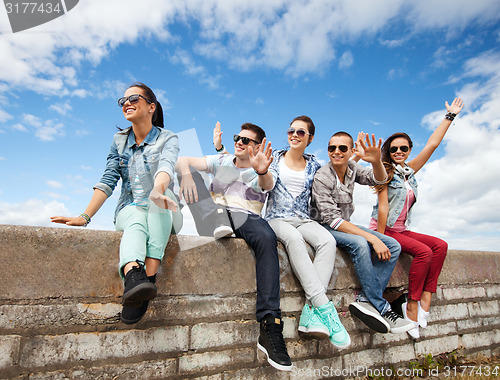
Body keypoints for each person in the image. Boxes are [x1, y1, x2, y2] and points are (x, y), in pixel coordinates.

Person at [51, 82, 182, 325]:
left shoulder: (168, 138)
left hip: (165, 208)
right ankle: (134, 277)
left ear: (151, 106)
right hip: (130, 207)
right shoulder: (119, 141)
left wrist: (157, 190)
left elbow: (166, 166)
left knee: (157, 205)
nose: (126, 103)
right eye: (123, 100)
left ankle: (147, 280)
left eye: (133, 98)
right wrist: (85, 216)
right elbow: (108, 179)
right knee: (135, 217)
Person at [176, 122, 292, 371]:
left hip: (245, 217)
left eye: (246, 140)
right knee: (189, 172)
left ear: (257, 147)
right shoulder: (222, 160)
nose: (239, 141)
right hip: (212, 217)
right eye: (237, 137)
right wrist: (186, 173)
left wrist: (261, 171)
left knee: (266, 237)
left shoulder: (264, 166)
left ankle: (270, 325)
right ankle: (216, 218)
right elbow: (183, 160)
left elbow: (269, 183)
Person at [369, 98, 464, 339]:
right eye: (394, 149)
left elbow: (432, 144)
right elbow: (383, 209)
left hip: (402, 230)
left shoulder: (410, 171)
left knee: (440, 246)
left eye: (404, 148)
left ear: (409, 150)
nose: (399, 152)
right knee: (424, 253)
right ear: (387, 153)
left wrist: (449, 117)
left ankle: (426, 299)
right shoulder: (386, 171)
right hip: (386, 230)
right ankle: (411, 305)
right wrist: (380, 239)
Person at [311, 132, 413, 334]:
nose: (337, 152)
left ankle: (366, 300)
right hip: (323, 226)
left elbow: (377, 180)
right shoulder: (323, 177)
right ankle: (382, 307)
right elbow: (332, 219)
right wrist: (372, 237)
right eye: (332, 148)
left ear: (351, 152)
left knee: (393, 245)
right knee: (360, 243)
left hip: (343, 224)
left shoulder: (351, 168)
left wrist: (376, 161)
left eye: (342, 148)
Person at [264, 116, 350, 349]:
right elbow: (266, 184)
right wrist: (262, 171)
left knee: (327, 241)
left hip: (304, 218)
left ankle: (310, 314)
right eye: (291, 130)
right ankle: (325, 308)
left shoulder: (315, 165)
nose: (294, 134)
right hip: (276, 218)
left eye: (300, 132)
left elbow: (336, 179)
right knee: (294, 240)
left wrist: (354, 160)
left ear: (310, 138)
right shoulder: (273, 159)